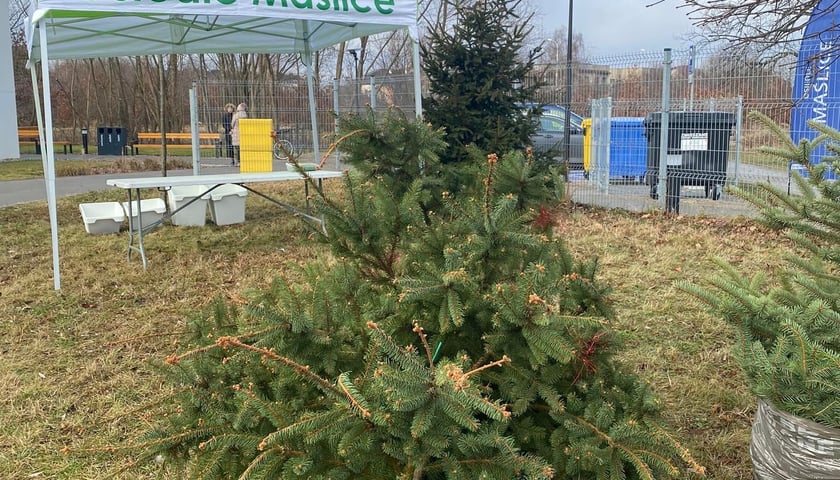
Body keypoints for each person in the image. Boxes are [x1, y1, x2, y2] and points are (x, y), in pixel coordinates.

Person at [229, 102, 247, 166]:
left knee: (237, 147)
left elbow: (232, 124)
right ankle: (241, 160)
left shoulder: (236, 115)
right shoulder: (245, 115)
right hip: (243, 132)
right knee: (241, 147)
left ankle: (238, 161)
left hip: (236, 132)